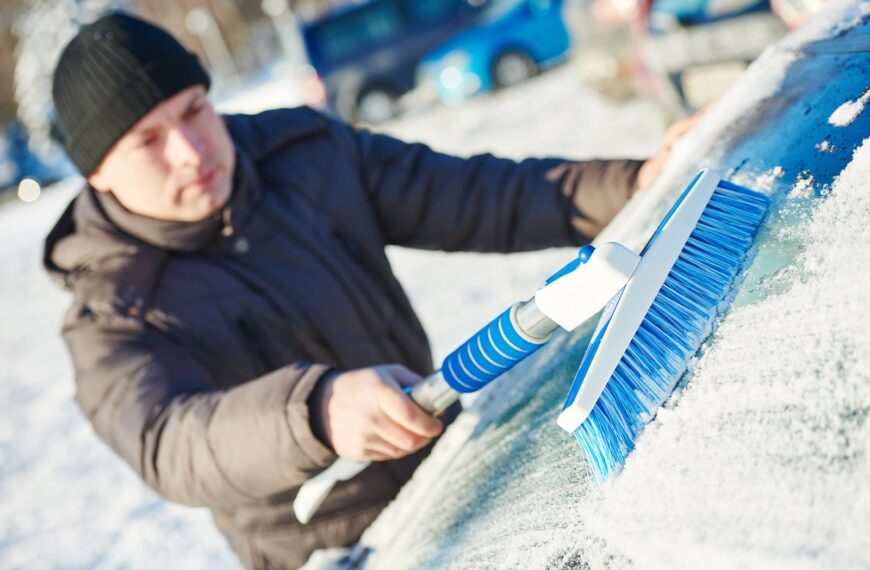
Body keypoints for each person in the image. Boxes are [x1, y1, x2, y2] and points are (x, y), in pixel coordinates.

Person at [44, 12, 692, 570]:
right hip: (327, 548)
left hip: (464, 470)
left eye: (194, 111)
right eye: (149, 142)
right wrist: (314, 411)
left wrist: (633, 183)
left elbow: (475, 197)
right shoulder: (109, 309)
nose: (190, 151)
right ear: (98, 172)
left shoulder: (305, 152)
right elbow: (168, 441)